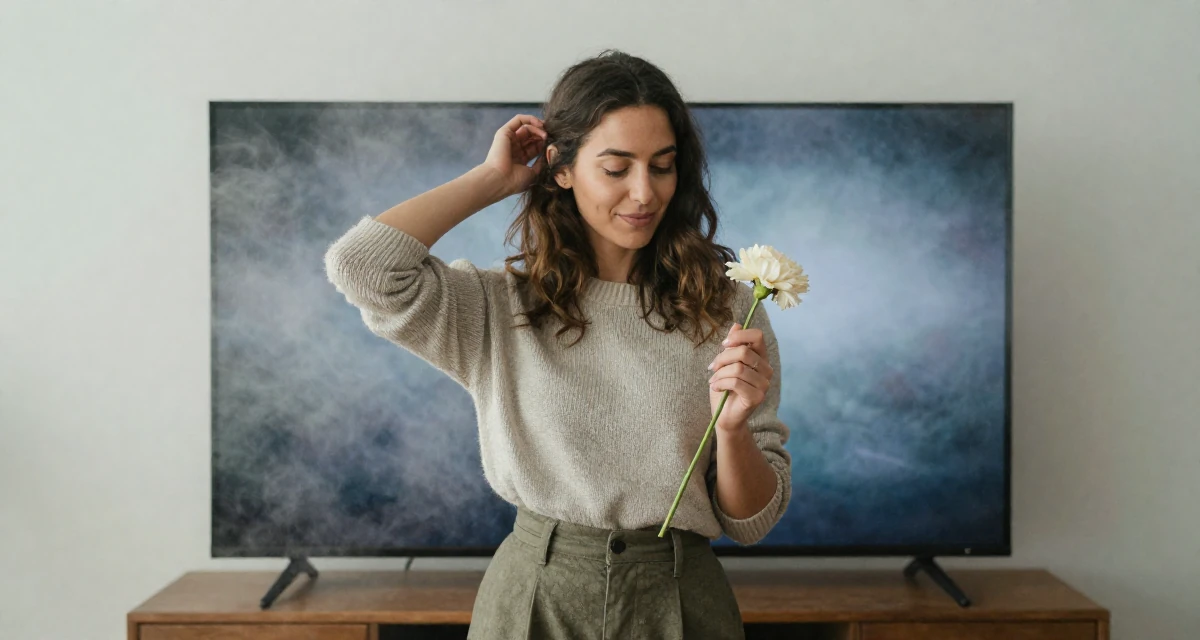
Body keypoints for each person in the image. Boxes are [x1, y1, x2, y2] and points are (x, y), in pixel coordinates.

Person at [324, 49, 791, 640]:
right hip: (536, 597)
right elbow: (362, 267)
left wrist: (733, 430)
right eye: (616, 168)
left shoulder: (729, 307)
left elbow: (751, 523)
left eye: (663, 166)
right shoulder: (498, 307)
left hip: (680, 599)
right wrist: (493, 180)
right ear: (561, 168)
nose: (644, 193)